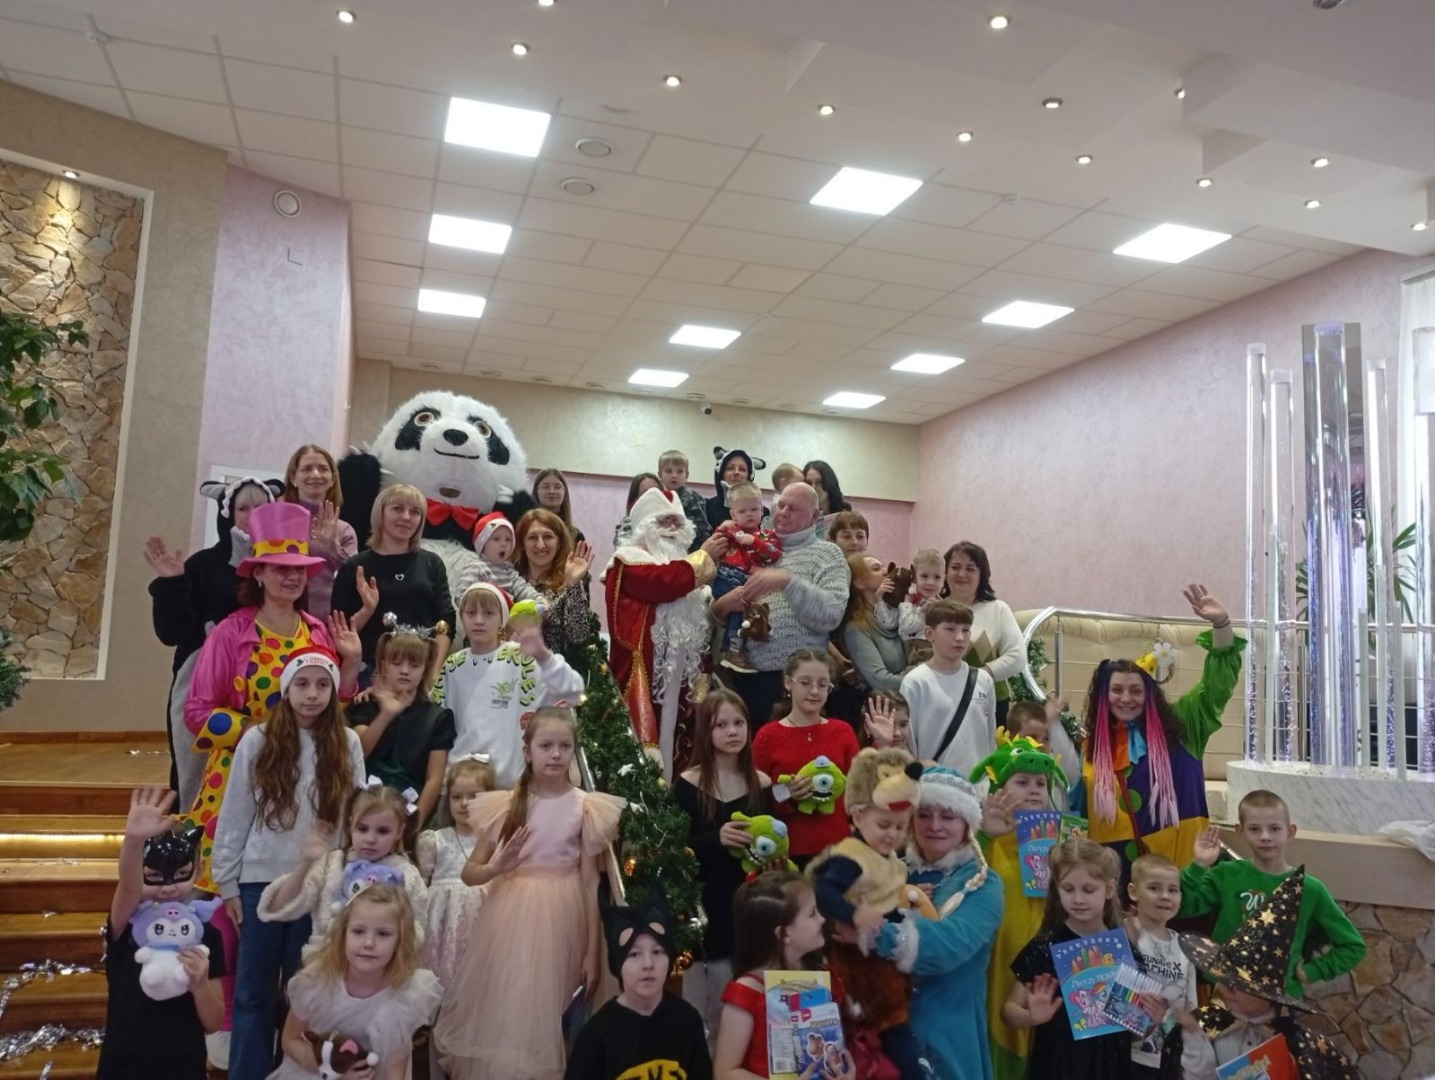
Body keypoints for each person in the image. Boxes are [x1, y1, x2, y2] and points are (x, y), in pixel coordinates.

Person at [433, 708, 625, 1080]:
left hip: (566, 919)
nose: (556, 754)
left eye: (565, 746)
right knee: (516, 1009)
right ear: (527, 751)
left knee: (557, 1010)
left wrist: (591, 950)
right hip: (513, 919)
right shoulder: (508, 805)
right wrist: (498, 867)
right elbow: (470, 873)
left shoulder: (584, 806)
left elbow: (590, 882)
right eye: (546, 746)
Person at [183, 501, 363, 895]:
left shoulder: (317, 632)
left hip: (305, 778)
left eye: (298, 569)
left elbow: (332, 707)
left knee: (298, 888)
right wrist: (257, 733)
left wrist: (350, 664)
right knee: (227, 896)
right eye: (281, 568)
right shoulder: (230, 633)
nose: (292, 577)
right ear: (259, 573)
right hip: (239, 775)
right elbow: (197, 712)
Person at [209, 646, 366, 1080]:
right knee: (253, 991)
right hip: (261, 884)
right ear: (287, 688)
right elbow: (235, 814)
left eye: (322, 685)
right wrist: (228, 883)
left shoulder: (347, 742)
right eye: (303, 684)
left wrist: (346, 879)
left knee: (304, 995)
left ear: (333, 691)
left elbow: (354, 818)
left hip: (318, 886)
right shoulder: (257, 740)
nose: (312, 694)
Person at [1073, 583, 1245, 884]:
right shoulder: (1092, 747)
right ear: (1103, 696)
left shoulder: (1183, 728)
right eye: (1117, 690)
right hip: (1116, 884)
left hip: (1179, 881)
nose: (1126, 698)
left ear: (1150, 695)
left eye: (1136, 690)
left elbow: (1215, 688)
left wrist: (1222, 625)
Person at [145, 475, 280, 811]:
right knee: (196, 771)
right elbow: (172, 632)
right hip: (202, 680)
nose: (252, 516)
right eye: (243, 508)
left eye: (260, 508)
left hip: (263, 681)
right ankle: (190, 833)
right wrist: (172, 584)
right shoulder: (202, 565)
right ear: (228, 513)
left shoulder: (282, 567)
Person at [870, 767, 1002, 1080]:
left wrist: (873, 932)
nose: (935, 825)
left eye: (948, 816)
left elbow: (945, 948)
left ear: (966, 822)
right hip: (883, 1032)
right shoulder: (889, 874)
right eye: (925, 815)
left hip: (947, 1033)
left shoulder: (983, 883)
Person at [1167, 869, 1358, 1080]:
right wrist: (1192, 1035)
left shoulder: (1297, 1044)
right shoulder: (1202, 1026)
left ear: (1268, 994)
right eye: (1225, 976)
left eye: (1242, 984)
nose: (1228, 987)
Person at [809, 747, 929, 1079]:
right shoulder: (851, 856)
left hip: (881, 950)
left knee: (896, 1017)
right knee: (893, 1022)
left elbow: (886, 894)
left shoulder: (888, 858)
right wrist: (853, 914)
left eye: (900, 827)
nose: (892, 834)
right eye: (884, 824)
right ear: (858, 816)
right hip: (857, 957)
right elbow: (823, 890)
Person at [1178, 791, 1365, 998]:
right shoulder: (1225, 874)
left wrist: (1312, 972)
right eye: (1254, 829)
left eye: (1274, 828)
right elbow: (1185, 908)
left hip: (1278, 998)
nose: (1265, 836)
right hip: (1226, 991)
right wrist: (1199, 865)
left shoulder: (1310, 889)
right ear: (1241, 831)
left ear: (1290, 831)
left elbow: (1353, 946)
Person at [97, 788, 224, 1080]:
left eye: (180, 875)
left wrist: (200, 986)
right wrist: (133, 841)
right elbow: (129, 887)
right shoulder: (128, 921)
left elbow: (214, 1021)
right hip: (124, 1066)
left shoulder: (206, 935)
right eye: (153, 877)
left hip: (183, 1065)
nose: (167, 887)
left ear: (198, 869)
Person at [673, 689, 774, 1043]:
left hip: (750, 907)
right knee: (707, 1010)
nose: (732, 731)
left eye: (739, 723)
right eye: (721, 725)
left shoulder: (761, 783)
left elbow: (773, 839)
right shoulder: (688, 784)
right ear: (706, 731)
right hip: (708, 907)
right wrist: (716, 839)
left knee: (750, 1001)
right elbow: (675, 851)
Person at [604, 486, 727, 773]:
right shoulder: (627, 562)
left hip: (682, 689)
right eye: (663, 521)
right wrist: (704, 556)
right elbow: (664, 582)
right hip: (644, 680)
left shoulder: (690, 579)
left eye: (677, 522)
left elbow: (700, 638)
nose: (672, 528)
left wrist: (701, 692)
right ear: (644, 526)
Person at [969, 733, 1069, 1080]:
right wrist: (985, 834)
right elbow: (965, 873)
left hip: (1044, 959)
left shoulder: (1061, 840)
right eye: (1022, 782)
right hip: (998, 956)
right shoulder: (985, 837)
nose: (1034, 789)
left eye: (1040, 783)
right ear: (999, 788)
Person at [712, 482, 850, 727]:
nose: (783, 512)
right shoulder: (747, 547)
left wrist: (787, 581)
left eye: (793, 508)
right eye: (781, 505)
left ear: (815, 516)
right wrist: (722, 606)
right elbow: (715, 615)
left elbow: (831, 614)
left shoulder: (828, 554)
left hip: (802, 682)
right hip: (745, 678)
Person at [271, 883, 443, 1080]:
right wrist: (334, 1073)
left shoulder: (403, 995)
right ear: (343, 933)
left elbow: (394, 1069)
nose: (369, 943)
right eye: (358, 931)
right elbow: (290, 1039)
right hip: (316, 1073)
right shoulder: (317, 981)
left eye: (383, 934)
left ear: (400, 940)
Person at [1003, 839, 1131, 1080]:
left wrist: (1151, 1020)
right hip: (1055, 1067)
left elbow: (1135, 1029)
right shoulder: (1043, 948)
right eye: (1068, 889)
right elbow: (1008, 1012)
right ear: (1057, 889)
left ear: (1109, 889)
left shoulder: (1124, 950)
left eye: (1088, 890)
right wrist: (1031, 1017)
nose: (1078, 899)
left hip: (1112, 1069)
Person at [436, 582, 584, 787]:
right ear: (462, 618)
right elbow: (438, 726)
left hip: (511, 787)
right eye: (471, 613)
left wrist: (544, 656)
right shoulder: (453, 665)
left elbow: (573, 691)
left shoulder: (521, 657)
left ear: (502, 620)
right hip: (463, 786)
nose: (479, 620)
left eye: (488, 613)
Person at [257, 783, 429, 959]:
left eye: (383, 831)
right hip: (326, 963)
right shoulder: (331, 864)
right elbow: (278, 905)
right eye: (362, 828)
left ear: (399, 831)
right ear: (350, 824)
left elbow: (414, 938)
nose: (370, 839)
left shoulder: (408, 875)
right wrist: (306, 863)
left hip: (379, 969)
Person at [712, 871, 855, 1080]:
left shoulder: (823, 975)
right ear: (784, 933)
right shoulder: (748, 991)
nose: (822, 919)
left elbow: (835, 1045)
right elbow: (724, 1073)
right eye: (812, 913)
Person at [564, 902, 713, 1080]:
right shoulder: (597, 1035)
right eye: (634, 954)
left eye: (657, 952)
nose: (648, 964)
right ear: (618, 964)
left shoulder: (687, 1020)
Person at [331, 483, 455, 683]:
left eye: (415, 512)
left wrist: (432, 674)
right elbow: (339, 634)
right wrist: (367, 610)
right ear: (380, 513)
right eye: (397, 508)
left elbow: (446, 620)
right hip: (369, 675)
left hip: (420, 674)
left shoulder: (432, 563)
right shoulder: (354, 567)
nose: (406, 517)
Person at [751, 649, 859, 866]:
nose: (814, 691)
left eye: (822, 684)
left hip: (839, 850)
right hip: (789, 853)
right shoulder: (768, 736)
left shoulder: (843, 731)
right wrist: (787, 793)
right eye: (805, 682)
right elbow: (755, 798)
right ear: (788, 683)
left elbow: (858, 790)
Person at [348, 621, 455, 826]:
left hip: (410, 805)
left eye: (414, 665)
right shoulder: (366, 705)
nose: (405, 671)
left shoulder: (438, 717)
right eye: (397, 663)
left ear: (425, 669)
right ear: (384, 665)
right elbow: (358, 754)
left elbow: (434, 778)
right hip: (364, 804)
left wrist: (415, 824)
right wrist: (385, 715)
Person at [416, 754, 497, 994]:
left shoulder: (494, 842)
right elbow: (420, 887)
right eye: (456, 797)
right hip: (442, 926)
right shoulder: (435, 841)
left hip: (482, 922)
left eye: (473, 796)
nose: (464, 803)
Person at [900, 600, 997, 777]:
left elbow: (990, 739)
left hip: (978, 785)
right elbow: (908, 743)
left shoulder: (983, 680)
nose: (960, 637)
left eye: (965, 630)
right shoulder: (916, 682)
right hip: (934, 782)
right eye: (950, 629)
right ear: (930, 634)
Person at [1123, 854, 1198, 1078]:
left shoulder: (1185, 949)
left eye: (1173, 890)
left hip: (1168, 1058)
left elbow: (1188, 1011)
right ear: (1133, 892)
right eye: (1154, 888)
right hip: (1125, 1054)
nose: (1165, 896)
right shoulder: (1122, 933)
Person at [941, 543, 1026, 725]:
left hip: (989, 703)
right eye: (955, 567)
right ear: (945, 572)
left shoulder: (997, 609)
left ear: (982, 575)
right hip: (940, 699)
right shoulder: (931, 608)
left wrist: (980, 676)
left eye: (970, 569)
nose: (961, 574)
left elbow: (1017, 656)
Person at [711, 481, 783, 673]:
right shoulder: (730, 531)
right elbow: (713, 546)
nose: (749, 514)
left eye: (754, 509)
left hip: (746, 582)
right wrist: (722, 528)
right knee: (742, 603)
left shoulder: (767, 536)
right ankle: (732, 650)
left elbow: (774, 553)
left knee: (748, 609)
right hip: (725, 578)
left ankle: (733, 650)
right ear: (733, 514)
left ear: (762, 510)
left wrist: (754, 542)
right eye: (742, 511)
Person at [280, 444, 357, 620]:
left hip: (328, 624)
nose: (315, 475)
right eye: (307, 469)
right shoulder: (279, 524)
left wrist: (332, 546)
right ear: (293, 478)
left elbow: (354, 579)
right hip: (283, 622)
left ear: (332, 479)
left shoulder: (344, 530)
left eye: (323, 469)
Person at [513, 508, 595, 660]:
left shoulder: (568, 584)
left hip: (555, 670)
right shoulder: (510, 581)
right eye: (532, 537)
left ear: (559, 543)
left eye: (548, 537)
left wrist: (573, 584)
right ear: (522, 544)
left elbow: (578, 636)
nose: (540, 544)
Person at [839, 553, 906, 698]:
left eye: (883, 566)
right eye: (876, 568)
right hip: (887, 704)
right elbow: (880, 681)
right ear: (859, 583)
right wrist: (926, 680)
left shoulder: (900, 613)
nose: (886, 571)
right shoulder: (856, 629)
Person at [454, 510, 542, 604]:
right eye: (496, 539)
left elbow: (523, 588)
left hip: (509, 611)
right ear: (483, 544)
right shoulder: (475, 567)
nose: (503, 544)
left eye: (508, 540)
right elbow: (461, 595)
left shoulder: (509, 571)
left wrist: (538, 599)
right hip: (483, 610)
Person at [894, 548, 944, 666]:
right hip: (913, 652)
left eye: (937, 577)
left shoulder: (943, 606)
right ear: (914, 577)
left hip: (933, 653)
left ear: (944, 579)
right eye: (924, 576)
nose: (930, 582)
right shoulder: (910, 602)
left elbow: (907, 627)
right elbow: (903, 629)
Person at [659, 448, 714, 551]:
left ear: (686, 476)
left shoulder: (692, 497)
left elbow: (703, 528)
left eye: (680, 471)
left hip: (690, 549)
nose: (674, 475)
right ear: (660, 475)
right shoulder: (657, 497)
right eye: (668, 471)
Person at [704, 447, 765, 531]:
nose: (736, 472)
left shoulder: (763, 512)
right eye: (730, 468)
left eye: (742, 469)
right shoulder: (706, 508)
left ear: (749, 475)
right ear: (721, 474)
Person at [533, 467, 585, 543]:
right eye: (546, 487)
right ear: (536, 491)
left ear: (564, 492)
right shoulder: (525, 531)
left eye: (557, 487)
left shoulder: (576, 536)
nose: (552, 491)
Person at [615, 472, 663, 544]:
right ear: (635, 500)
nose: (653, 495)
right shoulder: (628, 524)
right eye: (646, 492)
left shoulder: (670, 520)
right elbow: (622, 547)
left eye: (656, 490)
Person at [802, 460, 851, 527]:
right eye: (809, 483)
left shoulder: (845, 516)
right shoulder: (802, 517)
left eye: (819, 482)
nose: (813, 487)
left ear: (829, 482)